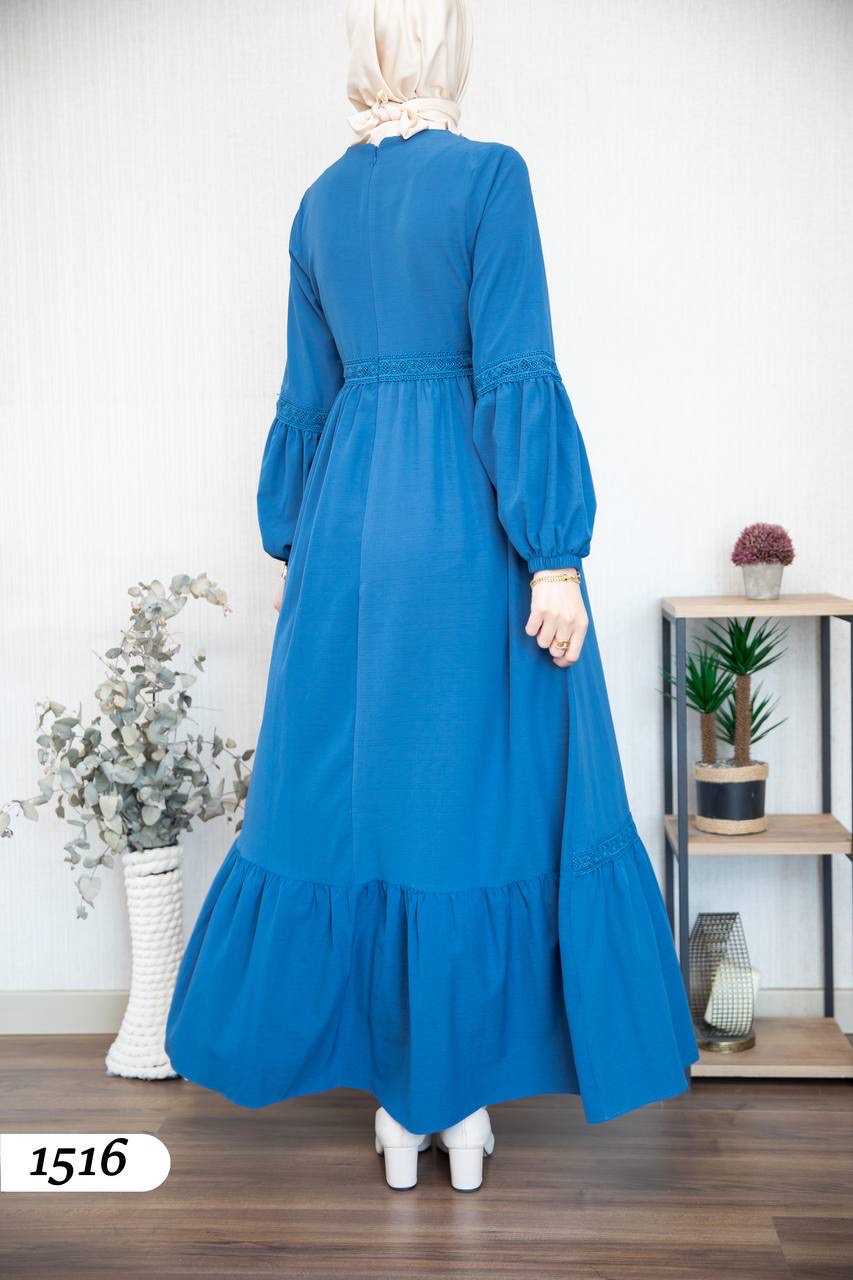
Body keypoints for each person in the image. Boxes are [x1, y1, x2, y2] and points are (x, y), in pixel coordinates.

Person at [165, 0, 699, 1194]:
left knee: (365, 811)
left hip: (347, 540)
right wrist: (551, 554)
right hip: (463, 528)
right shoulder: (490, 176)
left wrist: (295, 553)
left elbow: (308, 400)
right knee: (472, 809)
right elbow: (514, 365)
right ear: (448, 47)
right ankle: (453, 1102)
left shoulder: (317, 203)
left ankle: (398, 1112)